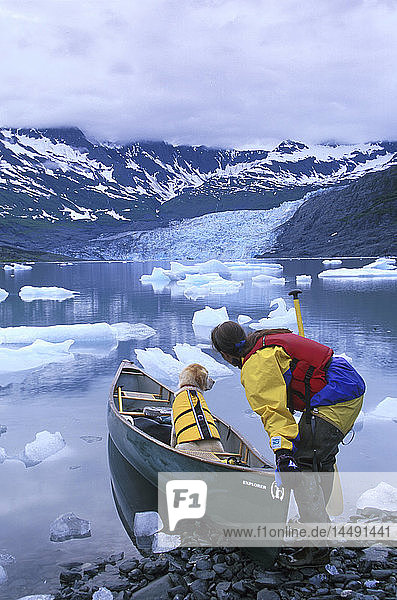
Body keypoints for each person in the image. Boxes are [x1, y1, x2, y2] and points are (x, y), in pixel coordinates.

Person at [211, 321, 365, 567]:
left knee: (303, 466)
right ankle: (317, 526)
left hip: (336, 397)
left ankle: (317, 549)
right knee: (316, 460)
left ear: (225, 354)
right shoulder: (264, 342)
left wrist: (283, 452)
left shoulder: (256, 366)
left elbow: (274, 413)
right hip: (344, 384)